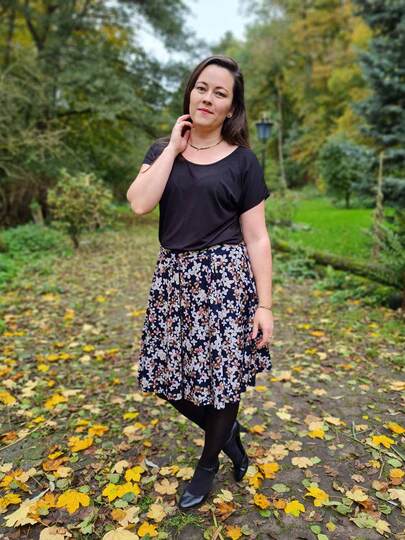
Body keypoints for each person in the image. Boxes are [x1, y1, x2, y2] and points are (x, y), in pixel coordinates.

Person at [126, 55, 274, 511]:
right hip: (173, 280)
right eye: (202, 88)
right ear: (191, 92)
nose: (208, 98)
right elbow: (139, 203)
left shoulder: (244, 162)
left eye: (220, 93)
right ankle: (226, 433)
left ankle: (208, 464)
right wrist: (173, 149)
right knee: (165, 377)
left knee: (222, 380)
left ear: (232, 108)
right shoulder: (162, 150)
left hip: (225, 282)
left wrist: (265, 305)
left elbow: (257, 236)